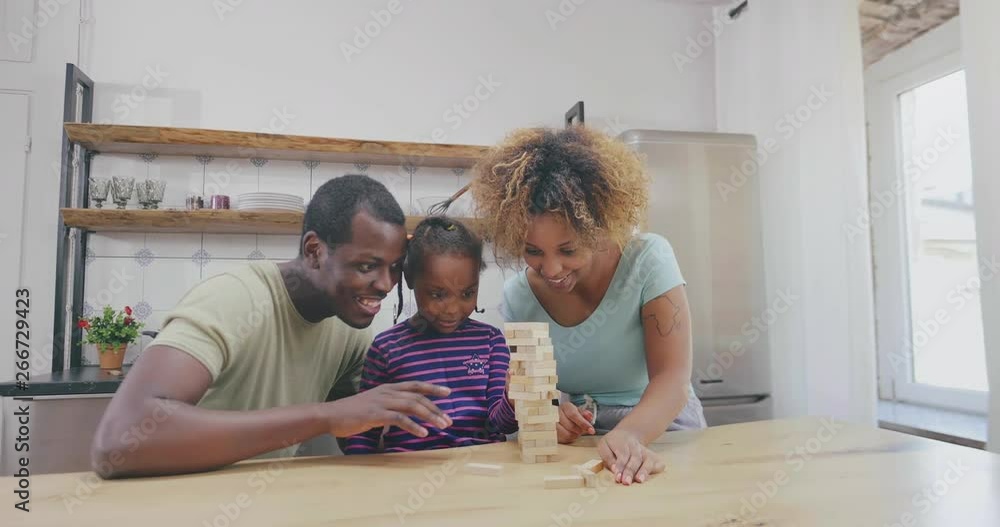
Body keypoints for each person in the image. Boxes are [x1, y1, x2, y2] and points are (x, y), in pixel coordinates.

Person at [90, 175, 453, 479]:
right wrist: (325, 416)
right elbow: (120, 440)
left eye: (394, 267)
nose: (386, 284)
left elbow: (367, 433)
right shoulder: (235, 298)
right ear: (314, 251)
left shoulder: (350, 330)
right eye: (366, 266)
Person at [469, 126, 707, 486]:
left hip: (662, 428)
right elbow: (535, 396)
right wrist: (552, 417)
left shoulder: (648, 261)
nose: (551, 270)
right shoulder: (518, 297)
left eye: (568, 250)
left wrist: (632, 435)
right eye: (533, 251)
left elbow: (672, 379)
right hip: (581, 441)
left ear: (599, 229)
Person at [344, 216, 517, 454]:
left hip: (482, 470)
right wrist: (359, 476)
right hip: (410, 474)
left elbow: (503, 425)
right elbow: (364, 433)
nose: (453, 309)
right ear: (410, 279)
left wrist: (513, 399)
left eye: (467, 293)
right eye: (438, 294)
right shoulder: (387, 348)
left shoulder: (491, 341)